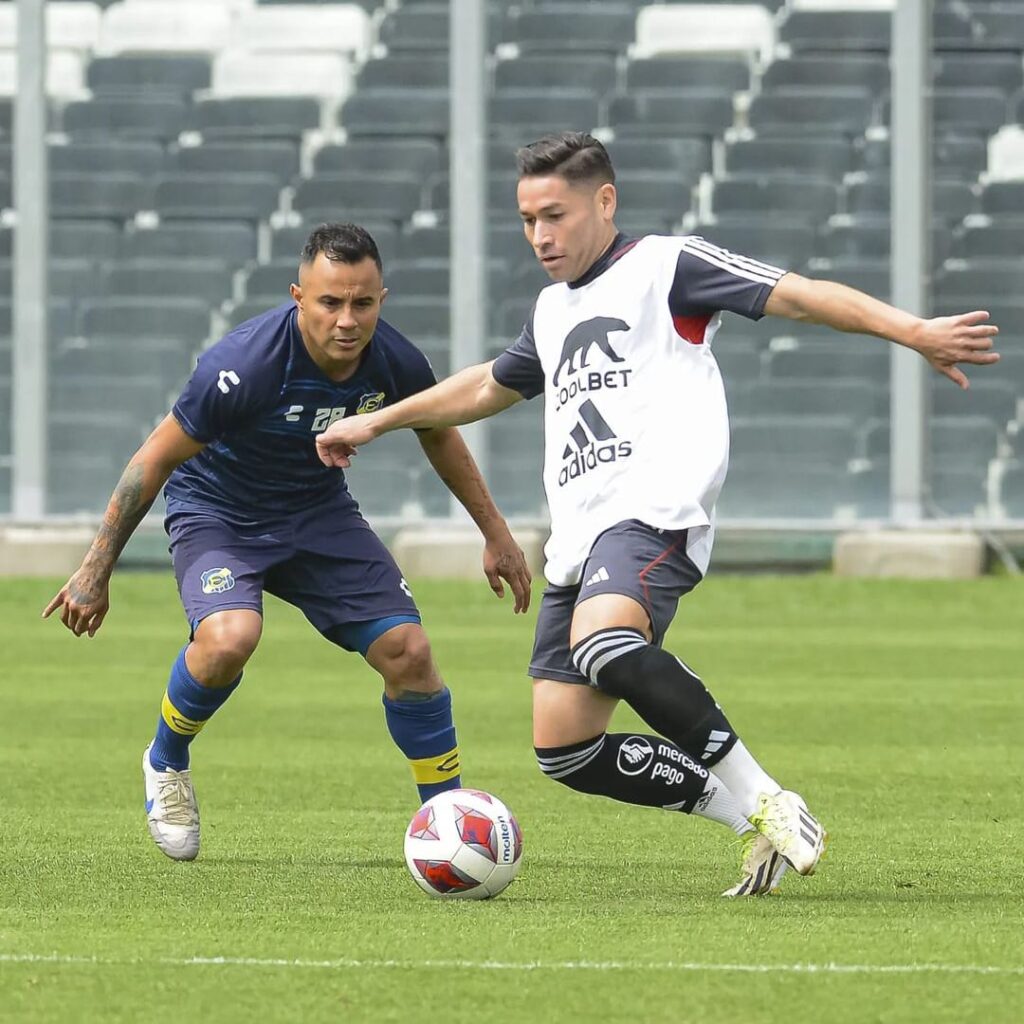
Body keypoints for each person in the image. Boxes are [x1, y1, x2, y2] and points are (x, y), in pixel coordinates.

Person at [316, 132, 1000, 896]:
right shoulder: (551, 310)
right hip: (579, 542)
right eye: (527, 219)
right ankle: (750, 822)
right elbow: (483, 388)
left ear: (603, 202)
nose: (541, 235)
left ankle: (770, 795)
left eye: (556, 214)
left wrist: (913, 331)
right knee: (565, 748)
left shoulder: (666, 267)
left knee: (607, 643)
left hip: (653, 512)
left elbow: (796, 291)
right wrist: (375, 423)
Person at [43, 223, 532, 862]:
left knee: (409, 652)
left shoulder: (397, 360)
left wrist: (495, 533)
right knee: (229, 640)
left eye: (363, 302)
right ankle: (166, 762)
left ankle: (450, 824)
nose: (348, 319)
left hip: (316, 514)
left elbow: (439, 432)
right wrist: (95, 567)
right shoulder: (243, 365)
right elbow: (153, 458)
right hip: (218, 513)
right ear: (299, 296)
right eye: (330, 302)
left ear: (382, 297)